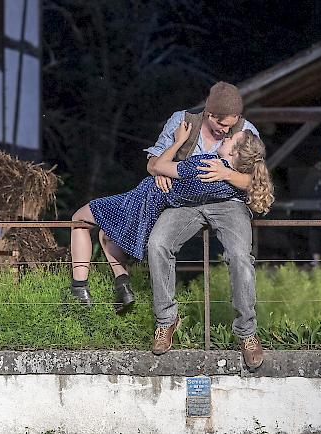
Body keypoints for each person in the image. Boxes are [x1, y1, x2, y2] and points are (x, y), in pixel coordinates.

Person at [69, 124, 272, 314]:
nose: (225, 137)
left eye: (230, 139)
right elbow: (252, 184)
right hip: (155, 208)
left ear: (234, 152)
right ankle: (123, 286)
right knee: (107, 233)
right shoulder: (229, 186)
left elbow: (158, 166)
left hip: (141, 200)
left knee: (79, 218)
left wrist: (178, 141)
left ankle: (79, 290)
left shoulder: (204, 165)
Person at [145, 82, 272, 370]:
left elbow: (253, 181)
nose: (227, 132)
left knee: (240, 254)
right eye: (223, 125)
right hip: (186, 202)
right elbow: (154, 162)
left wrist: (226, 173)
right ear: (210, 113)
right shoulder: (182, 121)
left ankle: (247, 332)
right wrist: (159, 173)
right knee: (158, 244)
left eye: (231, 126)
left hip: (228, 202)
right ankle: (166, 321)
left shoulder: (245, 130)